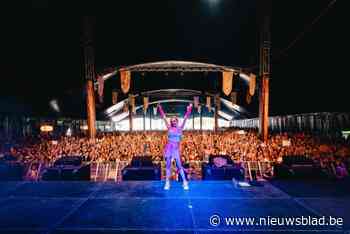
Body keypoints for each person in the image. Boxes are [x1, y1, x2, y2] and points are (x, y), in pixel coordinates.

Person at [157, 103, 192, 190]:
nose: (173, 122)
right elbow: (164, 117)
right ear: (171, 122)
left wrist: (189, 109)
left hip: (176, 149)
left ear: (177, 121)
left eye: (175, 120)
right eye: (172, 121)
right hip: (169, 148)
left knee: (179, 166)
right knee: (168, 166)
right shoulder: (169, 128)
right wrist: (160, 108)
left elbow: (185, 118)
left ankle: (184, 182)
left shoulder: (180, 128)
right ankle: (167, 183)